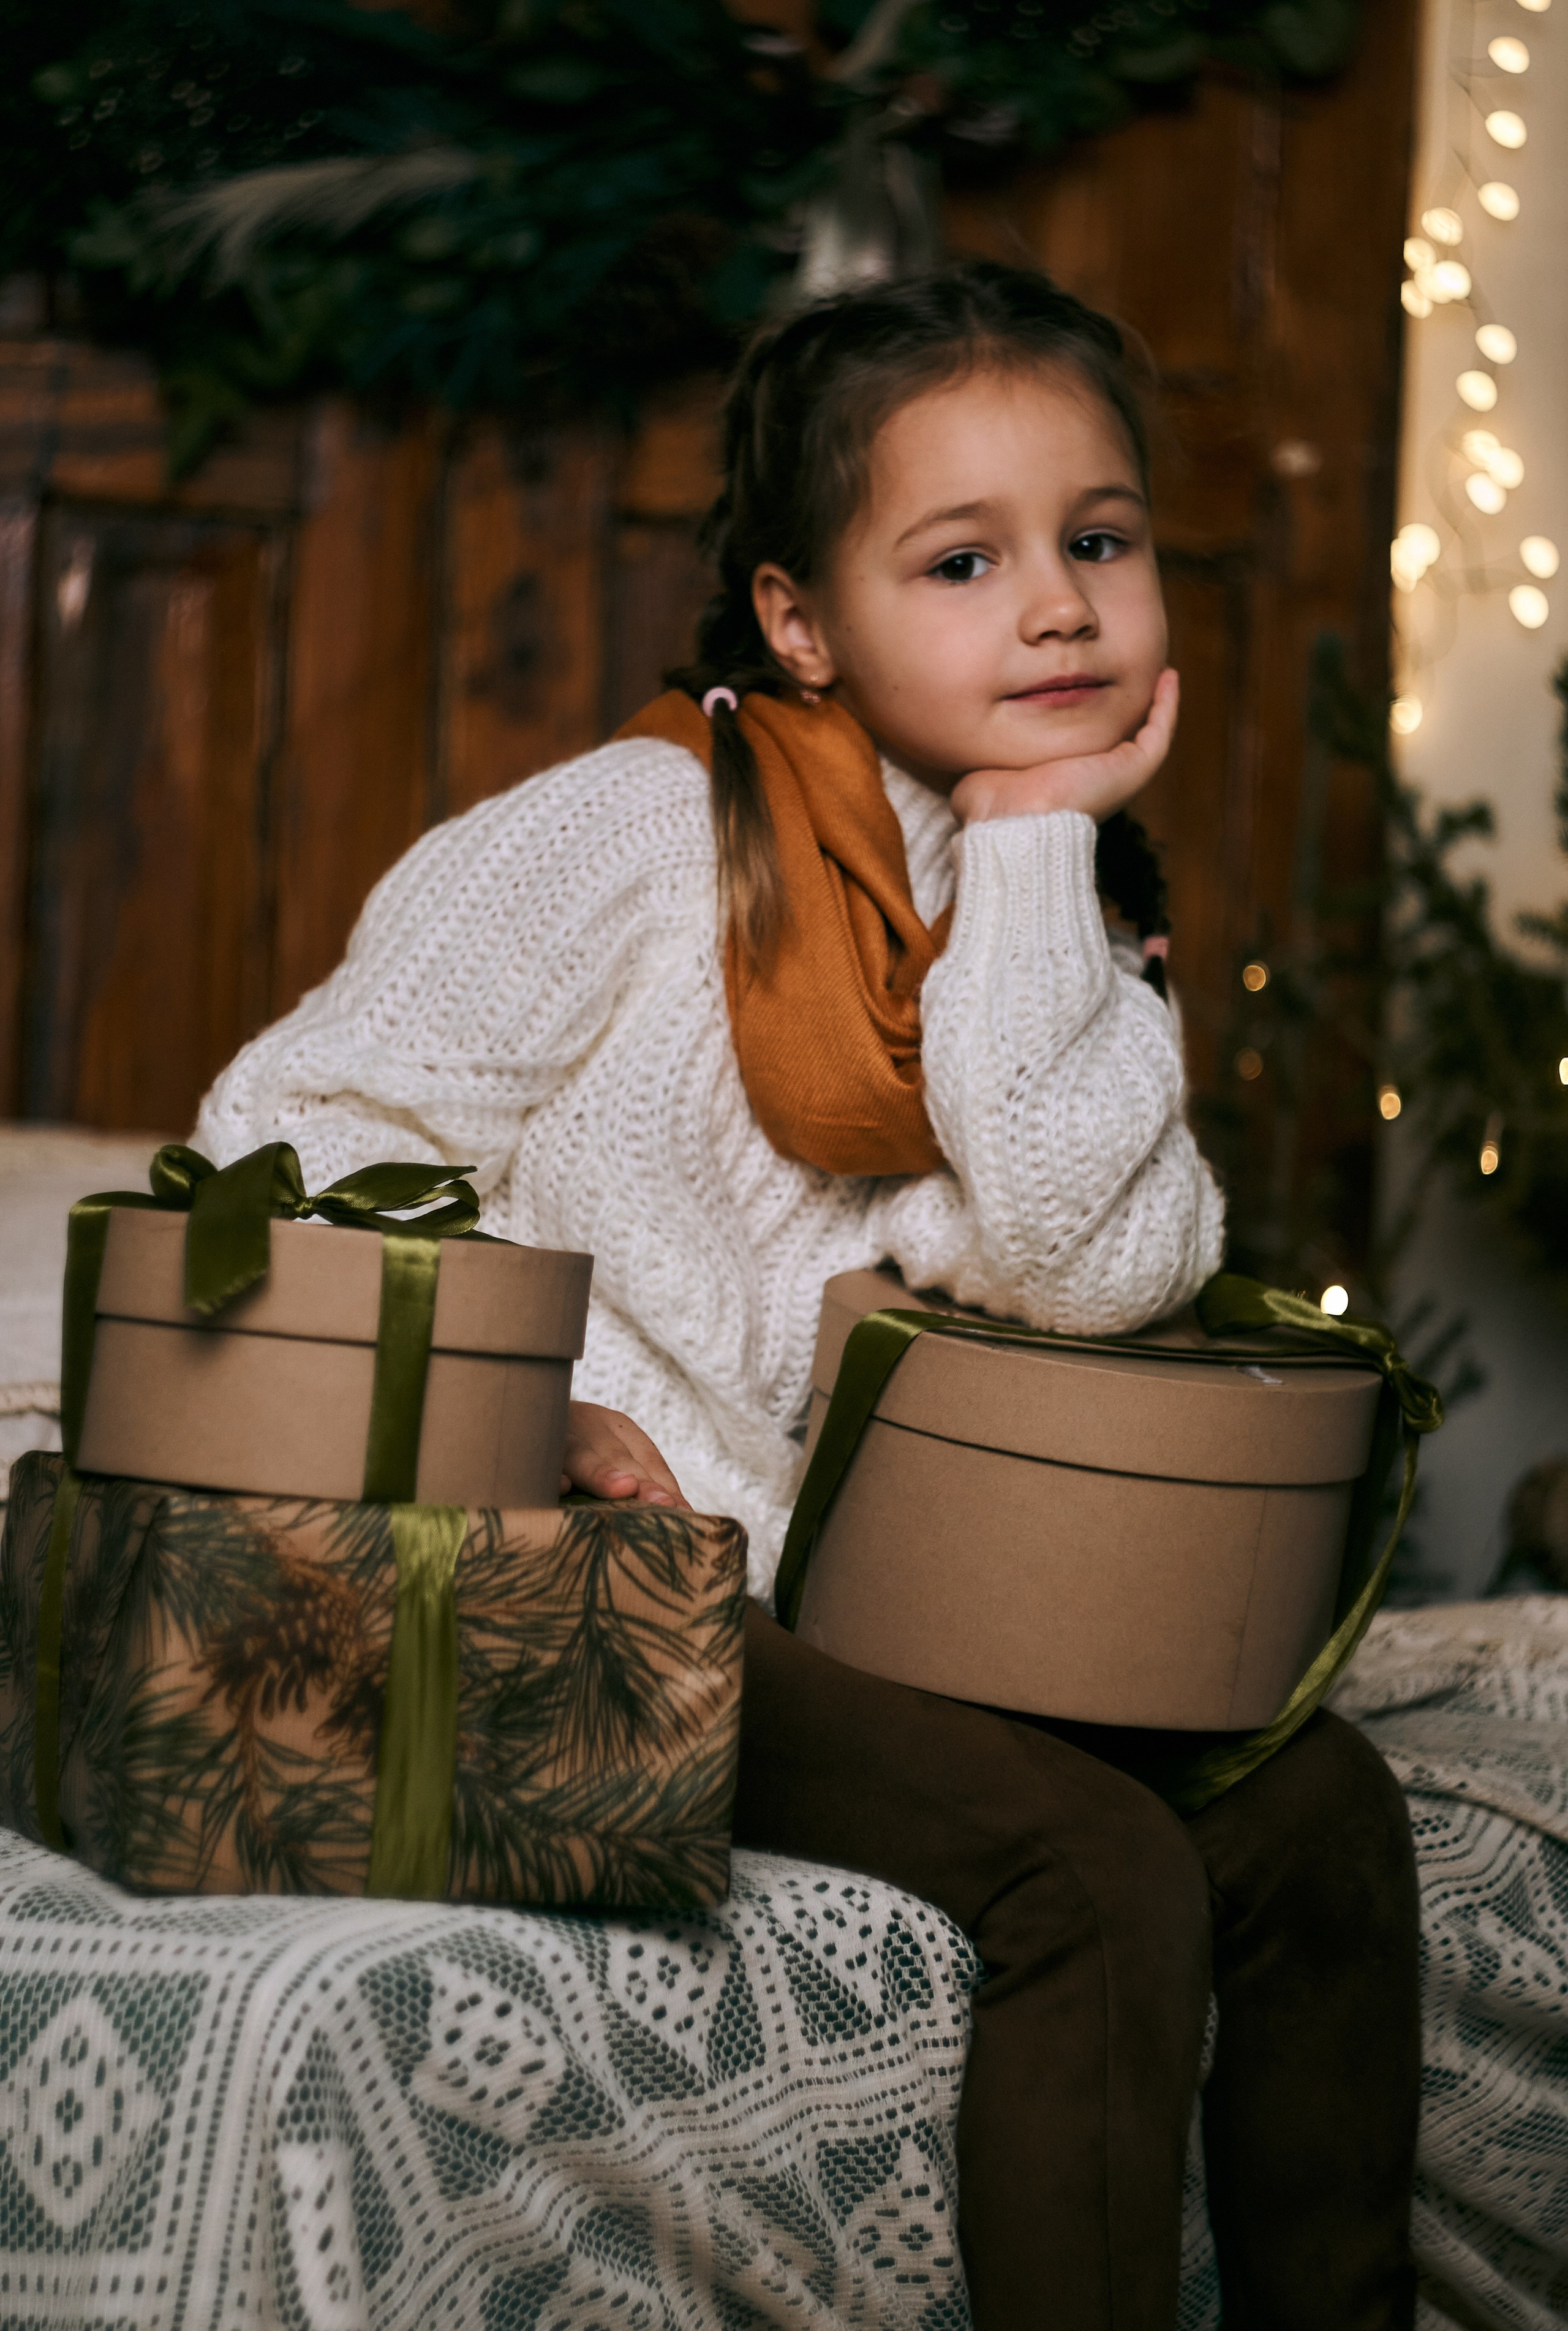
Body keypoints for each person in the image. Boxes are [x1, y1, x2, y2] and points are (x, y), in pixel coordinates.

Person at [197, 263, 1420, 2330]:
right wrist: (525, 1399)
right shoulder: (633, 832)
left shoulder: (1069, 908)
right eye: (965, 560)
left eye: (1098, 546)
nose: (1055, 607)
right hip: (607, 1575)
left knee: (1322, 1808)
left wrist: (1038, 852)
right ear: (797, 619)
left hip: (886, 1589)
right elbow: (281, 1128)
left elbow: (1092, 1262)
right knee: (1095, 1873)